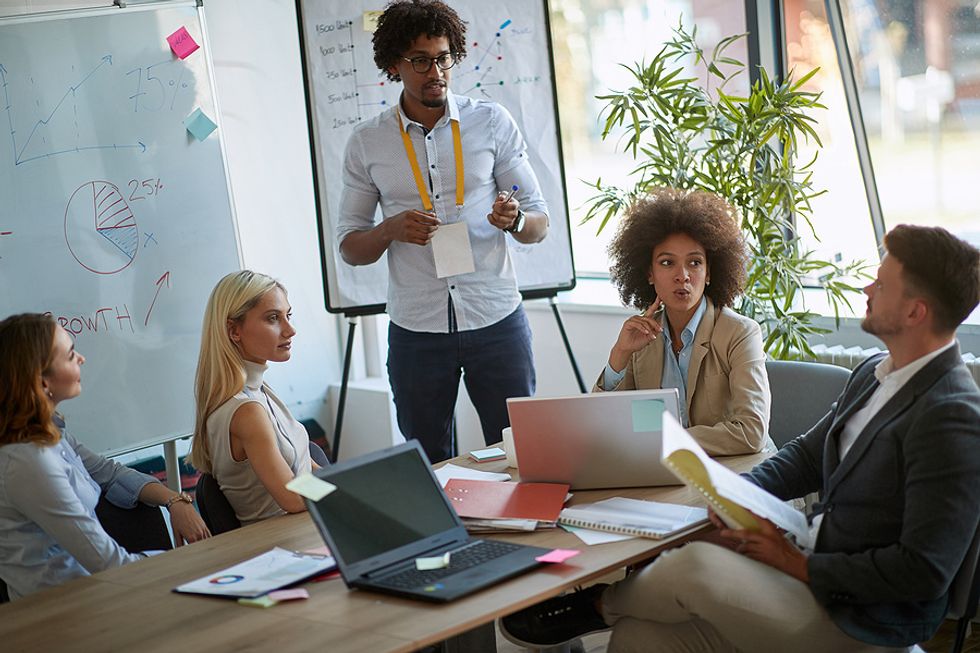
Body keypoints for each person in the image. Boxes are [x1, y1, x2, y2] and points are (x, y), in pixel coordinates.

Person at [501, 224, 980, 652]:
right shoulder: (874, 374)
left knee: (690, 567)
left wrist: (797, 564)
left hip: (862, 621)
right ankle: (611, 612)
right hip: (813, 572)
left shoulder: (951, 416)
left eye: (882, 282)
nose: (866, 286)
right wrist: (736, 496)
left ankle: (598, 604)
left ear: (915, 311)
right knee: (641, 638)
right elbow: (804, 457)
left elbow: (923, 571)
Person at [337, 0, 549, 463]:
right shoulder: (367, 142)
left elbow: (538, 223)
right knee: (427, 463)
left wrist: (513, 220)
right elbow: (350, 247)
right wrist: (390, 228)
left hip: (495, 317)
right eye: (420, 60)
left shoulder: (491, 122)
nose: (436, 71)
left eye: (444, 57)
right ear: (394, 64)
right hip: (417, 328)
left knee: (523, 454)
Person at [0, 313, 210, 601]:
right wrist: (189, 565)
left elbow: (108, 473)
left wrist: (174, 500)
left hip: (96, 592)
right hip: (61, 612)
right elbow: (108, 563)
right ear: (41, 380)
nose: (82, 359)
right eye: (71, 354)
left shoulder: (51, 435)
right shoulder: (29, 463)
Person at [596, 188, 772, 455]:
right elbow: (603, 427)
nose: (683, 275)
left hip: (736, 474)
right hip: (663, 474)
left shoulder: (740, 333)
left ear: (710, 272)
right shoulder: (642, 338)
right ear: (649, 274)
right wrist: (619, 354)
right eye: (667, 263)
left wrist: (667, 441)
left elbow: (752, 432)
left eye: (695, 263)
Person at [189, 270, 315, 525]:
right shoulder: (246, 411)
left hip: (306, 526)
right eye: (273, 318)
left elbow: (310, 473)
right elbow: (294, 498)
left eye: (288, 316)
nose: (290, 330)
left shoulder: (260, 391)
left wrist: (349, 485)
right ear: (234, 330)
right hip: (284, 545)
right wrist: (340, 491)